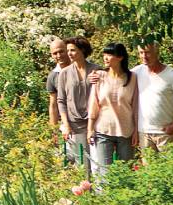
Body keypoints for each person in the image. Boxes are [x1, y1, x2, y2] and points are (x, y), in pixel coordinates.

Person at [88, 43, 139, 181]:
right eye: (104, 54)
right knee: (105, 173)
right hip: (103, 129)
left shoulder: (132, 78)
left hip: (126, 130)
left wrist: (136, 131)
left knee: (126, 172)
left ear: (120, 57)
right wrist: (90, 128)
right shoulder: (99, 75)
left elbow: (135, 105)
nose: (105, 58)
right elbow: (94, 102)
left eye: (109, 54)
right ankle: (106, 201)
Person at [54, 38, 100, 176]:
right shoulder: (65, 73)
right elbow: (61, 100)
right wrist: (66, 124)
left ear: (83, 50)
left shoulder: (96, 70)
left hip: (95, 123)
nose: (69, 54)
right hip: (75, 124)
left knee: (98, 162)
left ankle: (100, 193)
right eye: (68, 50)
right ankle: (85, 193)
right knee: (82, 163)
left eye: (73, 50)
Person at [134, 43, 173, 150]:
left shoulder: (172, 75)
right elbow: (118, 78)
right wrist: (99, 75)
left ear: (157, 52)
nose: (144, 56)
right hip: (144, 133)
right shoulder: (136, 72)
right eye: (141, 53)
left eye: (148, 52)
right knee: (148, 167)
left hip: (165, 134)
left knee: (169, 166)